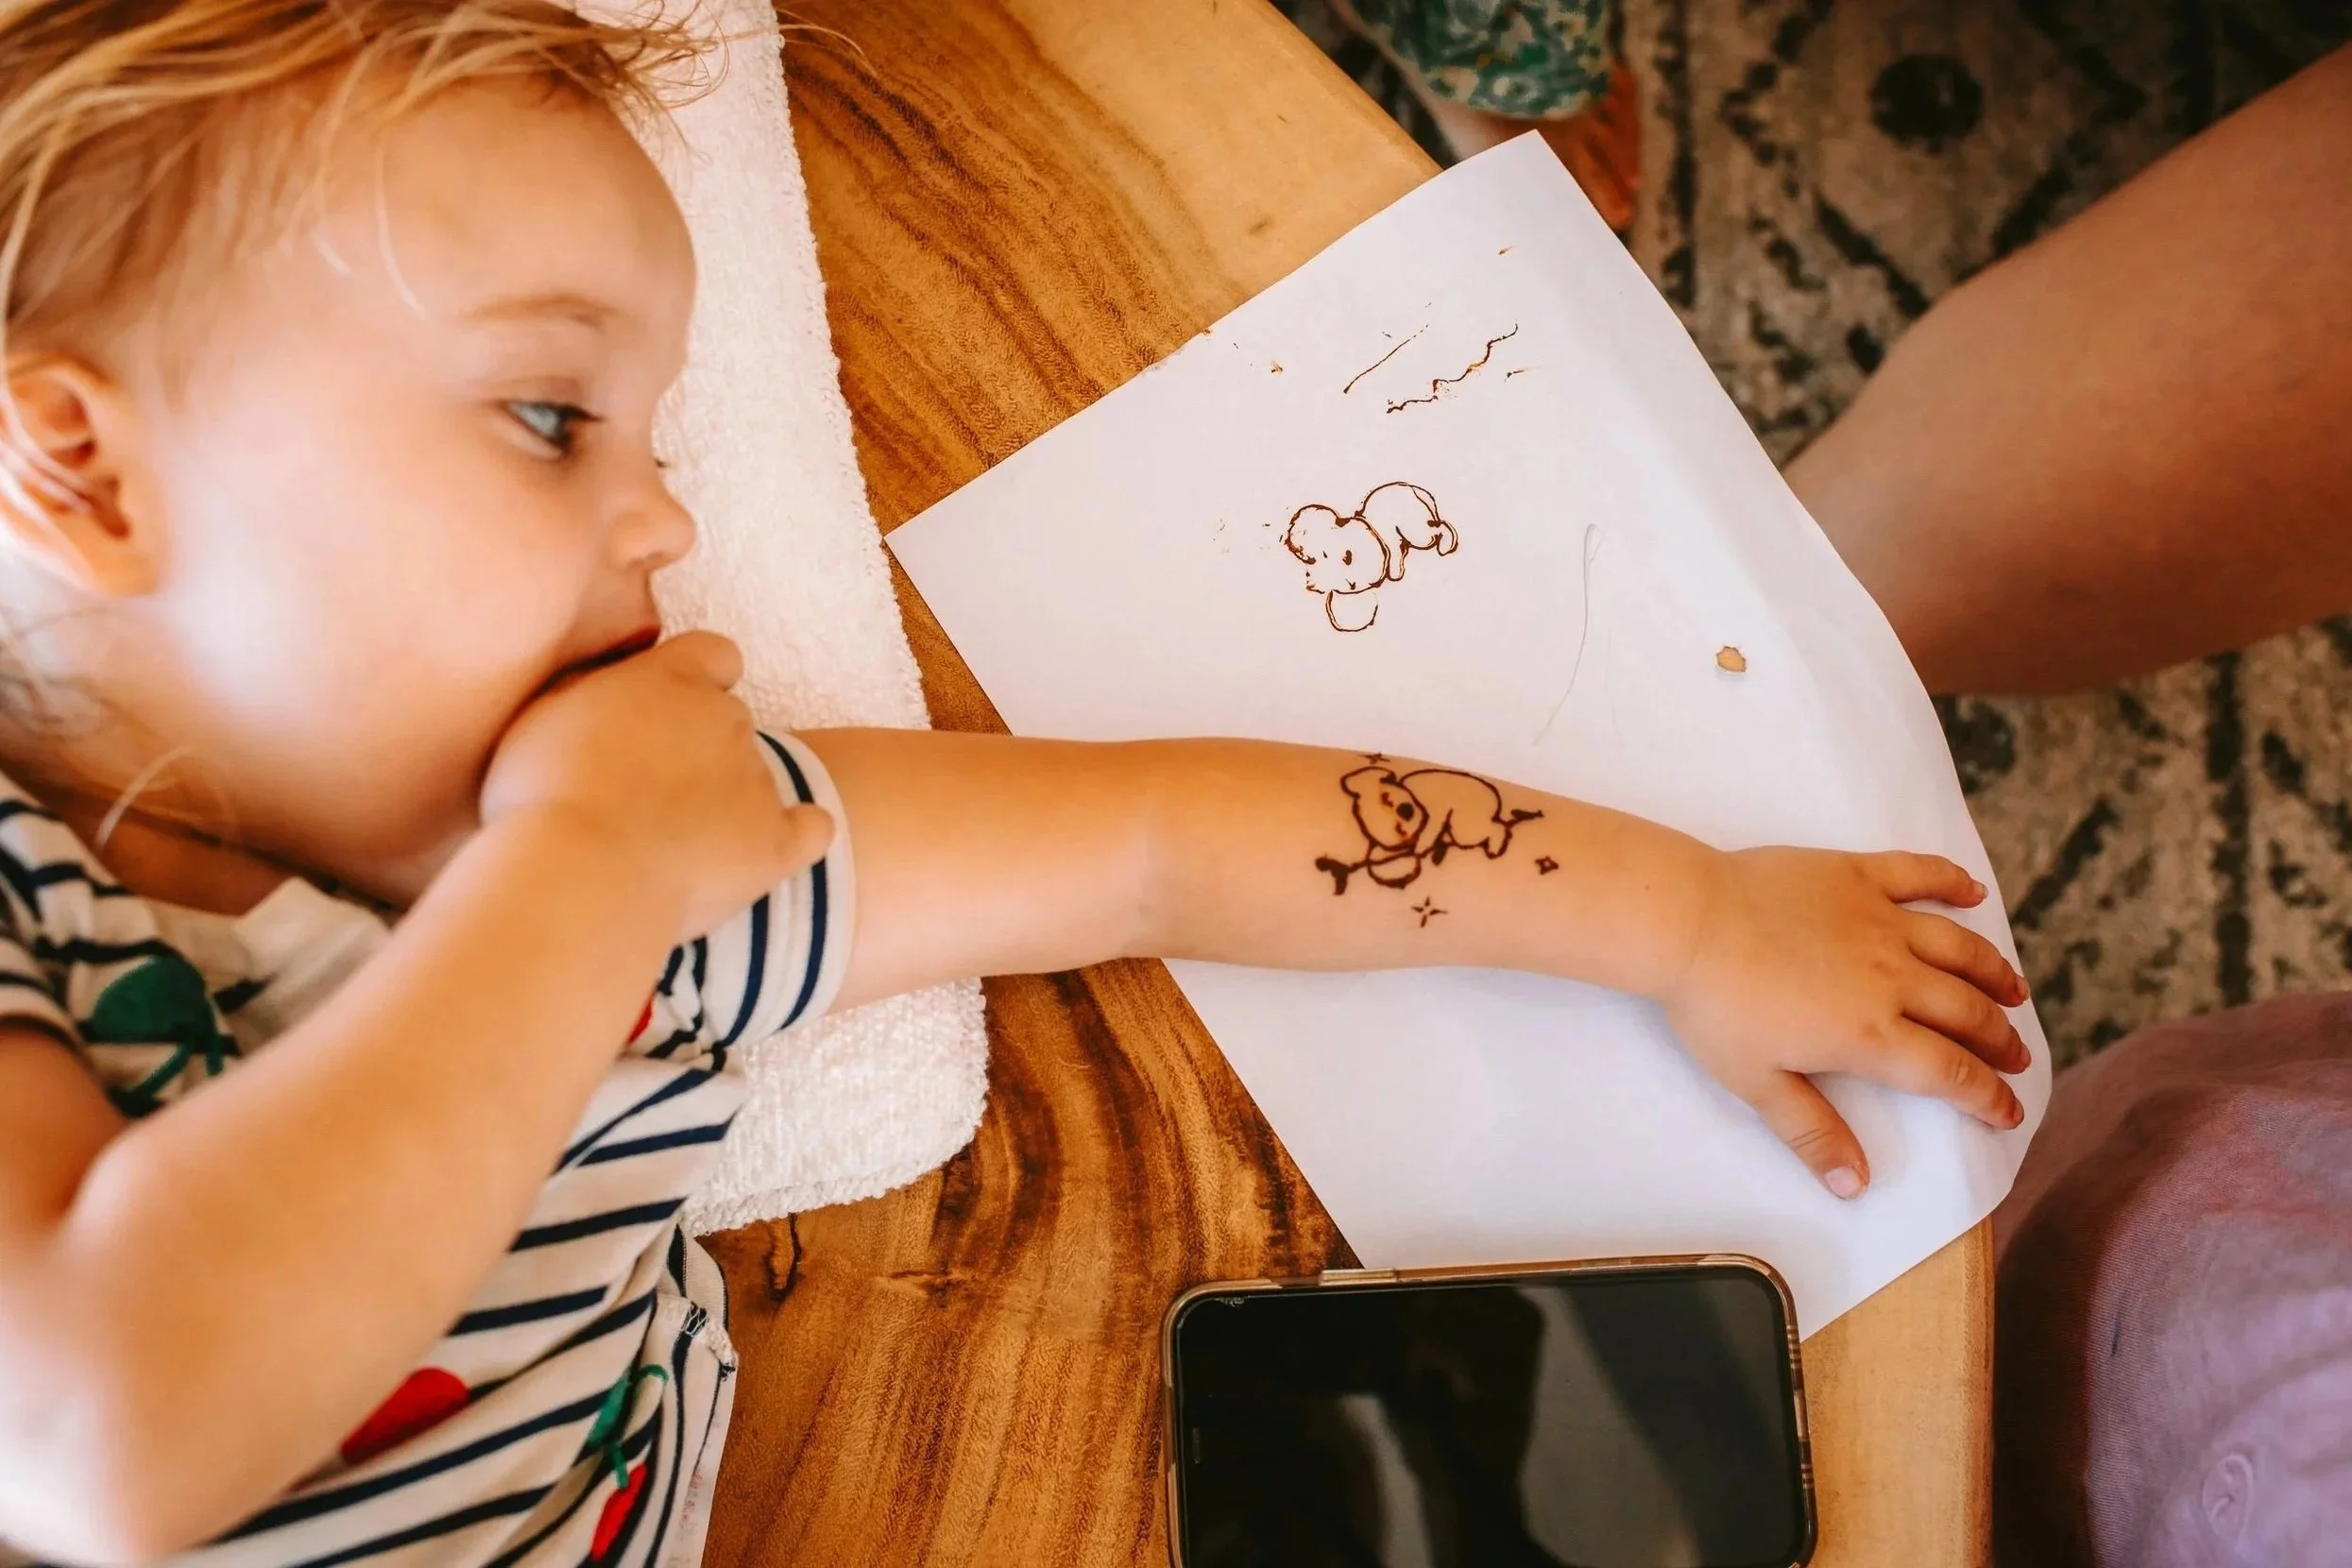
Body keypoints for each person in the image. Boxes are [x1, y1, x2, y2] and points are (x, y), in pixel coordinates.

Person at [0, 4, 2031, 1563]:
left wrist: (1683, 911)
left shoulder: (649, 833)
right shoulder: (550, 864)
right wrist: (583, 876)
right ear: (79, 470)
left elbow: (1162, 835)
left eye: (654, 431)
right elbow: (109, 1426)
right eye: (549, 417)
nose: (664, 520)